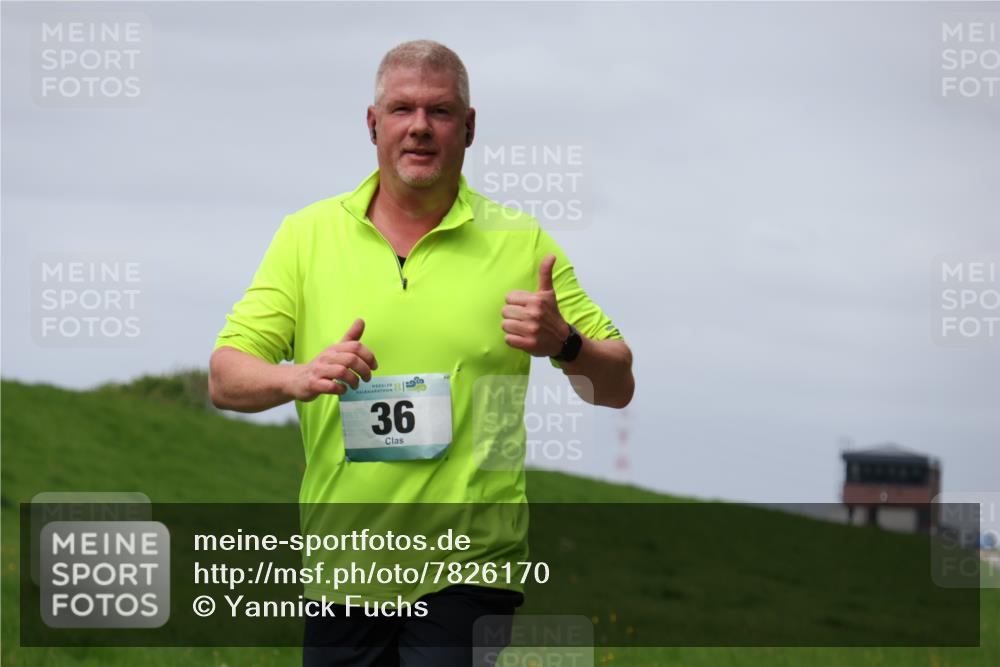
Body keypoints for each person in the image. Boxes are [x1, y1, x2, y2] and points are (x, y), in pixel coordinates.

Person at [209, 39, 634, 667]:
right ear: (373, 123)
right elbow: (225, 376)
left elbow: (616, 383)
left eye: (439, 111)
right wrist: (296, 377)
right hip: (342, 566)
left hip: (470, 564)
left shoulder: (522, 244)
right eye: (402, 109)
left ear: (469, 127)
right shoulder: (307, 237)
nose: (420, 127)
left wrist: (565, 345)